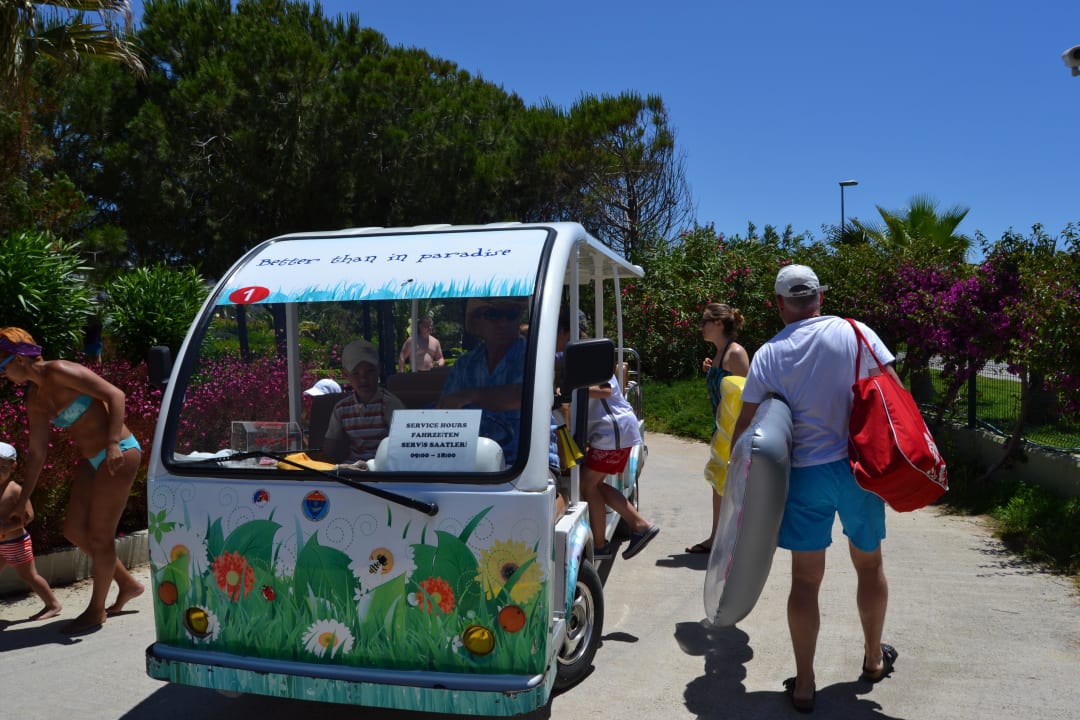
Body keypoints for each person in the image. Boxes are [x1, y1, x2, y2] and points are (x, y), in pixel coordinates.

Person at [730, 265, 898, 713]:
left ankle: (804, 684)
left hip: (805, 474)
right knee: (869, 564)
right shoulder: (855, 333)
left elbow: (746, 426)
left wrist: (734, 483)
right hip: (859, 469)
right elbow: (893, 392)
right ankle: (874, 658)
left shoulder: (768, 353)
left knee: (805, 581)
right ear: (819, 297)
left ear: (780, 303)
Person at [0, 327, 145, 634]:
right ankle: (127, 584)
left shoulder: (60, 370)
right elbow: (38, 453)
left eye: (2, 367)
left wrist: (113, 444)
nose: (3, 375)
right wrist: (25, 496)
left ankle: (96, 611)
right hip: (91, 461)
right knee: (75, 531)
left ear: (19, 360)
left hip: (120, 453)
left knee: (100, 536)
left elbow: (114, 395)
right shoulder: (35, 400)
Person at [557, 308, 659, 561]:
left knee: (589, 485)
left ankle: (634, 528)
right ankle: (613, 538)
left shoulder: (587, 355)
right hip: (611, 431)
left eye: (557, 332)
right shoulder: (575, 355)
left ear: (567, 332)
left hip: (612, 431)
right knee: (593, 485)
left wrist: (569, 389)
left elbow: (603, 390)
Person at [686, 303, 750, 554]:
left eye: (705, 321)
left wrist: (741, 439)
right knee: (719, 485)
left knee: (734, 486)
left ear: (720, 324)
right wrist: (711, 369)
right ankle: (718, 538)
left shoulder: (735, 354)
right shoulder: (721, 353)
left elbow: (748, 396)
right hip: (722, 430)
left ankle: (735, 541)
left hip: (736, 431)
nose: (701, 326)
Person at [438, 297, 527, 465]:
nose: (503, 322)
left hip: (526, 461)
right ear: (477, 321)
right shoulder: (464, 365)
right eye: (493, 314)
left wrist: (469, 396)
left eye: (511, 314)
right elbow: (446, 411)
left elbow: (522, 395)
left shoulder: (534, 356)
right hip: (473, 463)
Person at [0, 441, 62, 621]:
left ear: (13, 466)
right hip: (2, 544)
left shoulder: (15, 490)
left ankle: (52, 604)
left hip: (16, 543)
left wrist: (7, 527)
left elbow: (28, 516)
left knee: (29, 575)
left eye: (2, 466)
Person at [323, 340, 405, 465]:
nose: (363, 378)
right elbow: (330, 448)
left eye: (369, 371)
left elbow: (403, 446)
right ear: (345, 374)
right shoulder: (341, 408)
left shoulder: (389, 404)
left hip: (383, 469)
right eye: (356, 373)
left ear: (379, 369)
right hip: (353, 469)